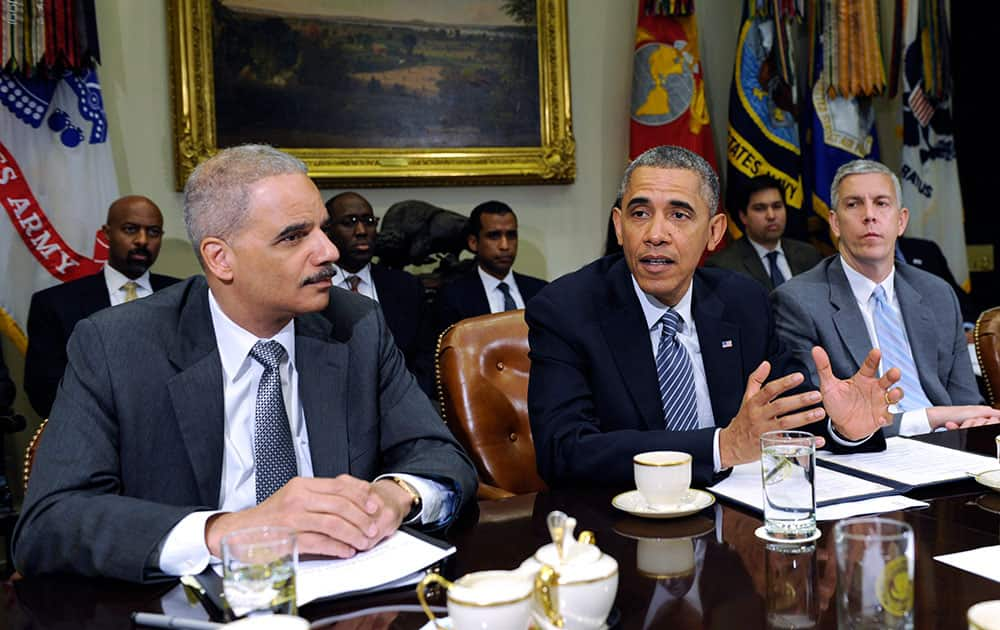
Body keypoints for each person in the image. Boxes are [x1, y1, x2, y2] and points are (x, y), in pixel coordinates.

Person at [12, 145, 477, 582]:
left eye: (322, 229)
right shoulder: (116, 346)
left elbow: (441, 457)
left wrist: (394, 495)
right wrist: (227, 531)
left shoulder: (356, 325)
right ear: (221, 258)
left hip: (346, 597)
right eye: (295, 236)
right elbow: (50, 522)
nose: (329, 252)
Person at [527, 145, 900, 488]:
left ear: (714, 232)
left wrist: (843, 426)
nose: (656, 234)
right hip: (623, 527)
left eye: (679, 214)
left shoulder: (742, 302)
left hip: (738, 522)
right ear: (619, 226)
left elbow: (788, 412)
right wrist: (720, 447)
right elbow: (563, 451)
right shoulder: (566, 310)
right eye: (639, 214)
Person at [771, 159, 1000, 436]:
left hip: (951, 445)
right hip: (867, 453)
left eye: (881, 203)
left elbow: (966, 402)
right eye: (853, 204)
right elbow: (818, 420)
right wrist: (927, 419)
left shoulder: (937, 293)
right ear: (835, 222)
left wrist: (973, 424)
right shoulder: (797, 302)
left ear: (901, 220)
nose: (869, 215)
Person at [23, 195, 179, 418]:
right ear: (107, 233)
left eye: (153, 232)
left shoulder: (184, 295)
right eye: (130, 229)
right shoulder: (56, 304)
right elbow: (43, 391)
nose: (142, 240)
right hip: (91, 436)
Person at [324, 191, 434, 395]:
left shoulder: (406, 287)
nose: (361, 231)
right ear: (327, 232)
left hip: (401, 403)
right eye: (349, 222)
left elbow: (425, 357)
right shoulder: (313, 288)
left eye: (369, 221)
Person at [435, 201, 547, 333]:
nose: (505, 246)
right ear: (473, 243)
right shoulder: (453, 297)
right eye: (494, 236)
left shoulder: (542, 292)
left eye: (511, 235)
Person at [704, 175, 823, 291]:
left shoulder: (809, 255)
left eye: (777, 206)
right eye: (760, 208)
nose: (771, 216)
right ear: (743, 216)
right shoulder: (723, 266)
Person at [897, 234, 981, 325]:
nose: (878, 221)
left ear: (901, 222)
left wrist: (967, 327)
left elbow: (954, 295)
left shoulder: (926, 250)